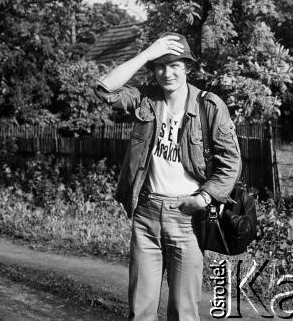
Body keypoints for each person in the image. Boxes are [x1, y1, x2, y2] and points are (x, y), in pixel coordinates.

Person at [94, 32, 241, 321]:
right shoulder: (145, 99)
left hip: (187, 218)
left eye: (174, 65)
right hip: (146, 215)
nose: (167, 72)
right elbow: (104, 90)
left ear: (187, 67)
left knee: (183, 312)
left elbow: (231, 162)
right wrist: (147, 53)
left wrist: (204, 198)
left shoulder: (209, 106)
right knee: (140, 310)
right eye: (160, 65)